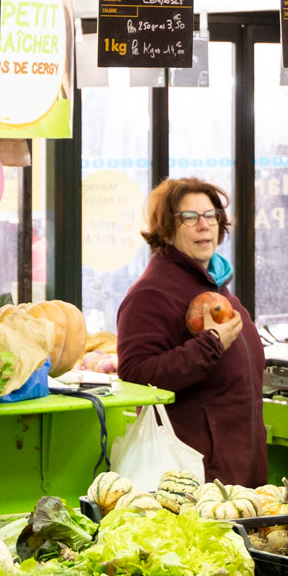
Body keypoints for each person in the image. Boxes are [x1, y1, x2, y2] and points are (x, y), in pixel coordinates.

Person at [113, 178, 265, 487]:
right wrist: (209, 345)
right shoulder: (152, 293)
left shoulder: (214, 282)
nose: (204, 226)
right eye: (190, 218)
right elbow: (135, 375)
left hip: (238, 466)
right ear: (167, 228)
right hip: (195, 474)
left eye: (211, 216)